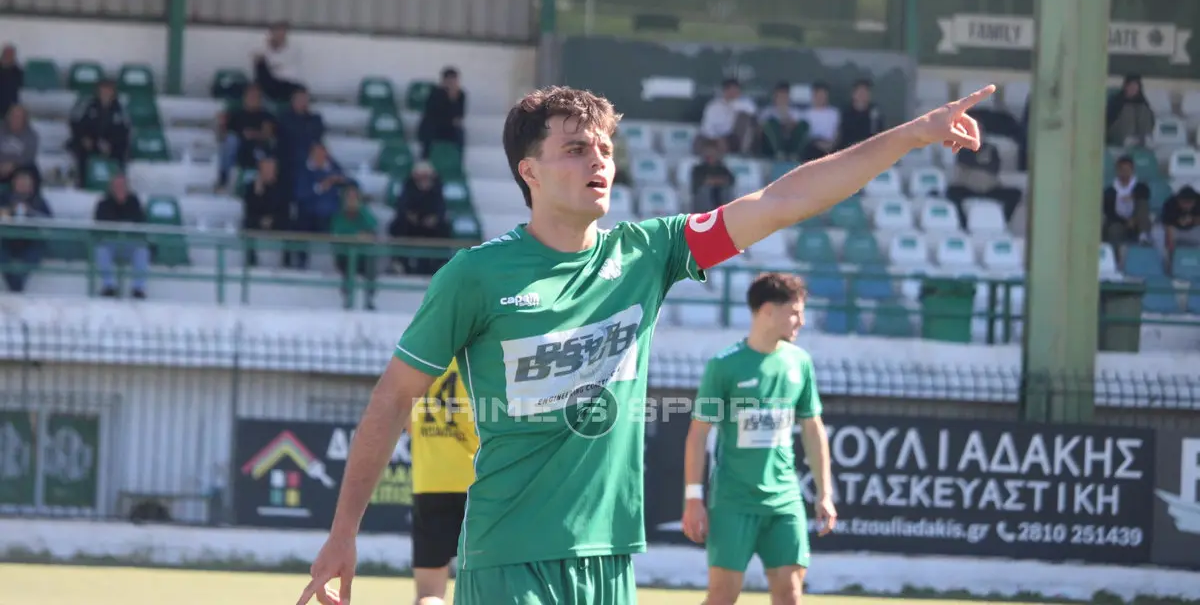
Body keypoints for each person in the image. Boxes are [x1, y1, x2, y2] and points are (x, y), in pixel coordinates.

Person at [295, 83, 994, 605]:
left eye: (605, 148)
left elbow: (784, 202)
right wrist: (343, 531)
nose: (598, 161)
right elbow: (392, 398)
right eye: (576, 149)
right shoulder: (474, 276)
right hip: (509, 556)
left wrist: (912, 134)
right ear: (529, 171)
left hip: (611, 557)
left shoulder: (648, 252)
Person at [681, 272, 833, 605]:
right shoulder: (723, 366)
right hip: (733, 501)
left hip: (784, 501)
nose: (802, 321)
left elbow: (812, 428)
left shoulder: (799, 363)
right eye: (794, 312)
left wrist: (825, 493)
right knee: (722, 596)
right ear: (767, 310)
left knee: (790, 594)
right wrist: (693, 498)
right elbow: (698, 434)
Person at [408, 359, 478, 605]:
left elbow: (407, 425)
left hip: (430, 483)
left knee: (429, 593)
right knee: (489, 586)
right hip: (477, 484)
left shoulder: (419, 364)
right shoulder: (478, 361)